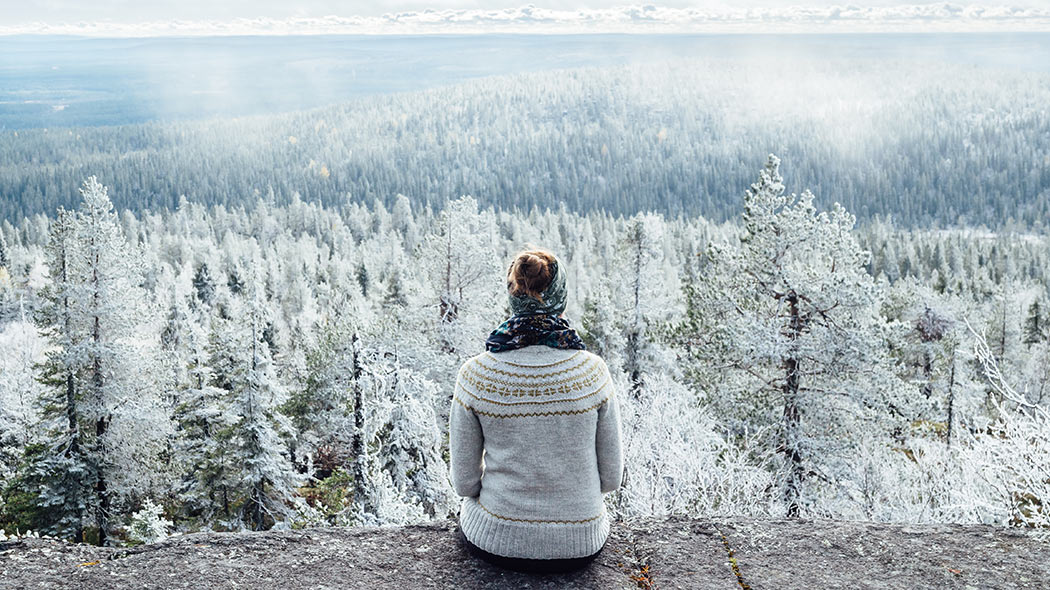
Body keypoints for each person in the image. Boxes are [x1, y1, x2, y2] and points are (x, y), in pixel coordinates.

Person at [448, 248, 624, 574]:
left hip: (497, 540)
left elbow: (464, 485)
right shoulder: (593, 372)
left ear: (512, 296)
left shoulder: (475, 375)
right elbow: (611, 479)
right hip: (581, 541)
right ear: (560, 295)